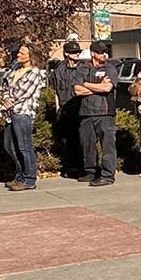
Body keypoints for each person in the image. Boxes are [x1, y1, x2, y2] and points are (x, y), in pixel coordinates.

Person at [0, 42, 46, 191]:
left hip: (23, 113)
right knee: (9, 146)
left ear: (31, 56)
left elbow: (24, 93)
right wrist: (6, 98)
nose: (18, 55)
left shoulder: (35, 73)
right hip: (10, 113)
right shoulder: (15, 70)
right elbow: (5, 87)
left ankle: (29, 178)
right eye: (18, 52)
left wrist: (10, 101)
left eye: (22, 53)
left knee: (24, 147)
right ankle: (20, 175)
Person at [75, 40, 119, 186]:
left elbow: (107, 88)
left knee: (107, 145)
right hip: (86, 113)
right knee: (87, 144)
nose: (104, 54)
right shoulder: (82, 69)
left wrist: (86, 84)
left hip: (105, 113)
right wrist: (97, 86)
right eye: (100, 52)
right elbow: (77, 90)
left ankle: (107, 175)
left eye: (105, 52)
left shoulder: (110, 68)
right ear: (93, 53)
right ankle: (90, 171)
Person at [51, 40, 85, 178]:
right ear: (66, 53)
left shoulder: (84, 68)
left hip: (80, 108)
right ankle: (69, 167)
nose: (76, 54)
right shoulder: (59, 70)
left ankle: (81, 167)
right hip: (65, 109)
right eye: (73, 52)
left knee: (81, 139)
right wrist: (57, 110)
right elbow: (55, 91)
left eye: (78, 52)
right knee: (66, 140)